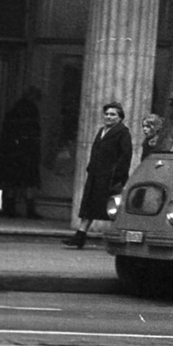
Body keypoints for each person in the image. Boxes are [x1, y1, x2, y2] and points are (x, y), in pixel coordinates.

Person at [65, 100, 132, 249]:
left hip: (110, 178)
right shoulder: (101, 131)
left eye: (113, 114)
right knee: (89, 206)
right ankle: (80, 236)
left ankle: (120, 238)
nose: (108, 117)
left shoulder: (123, 133)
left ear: (120, 117)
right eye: (107, 114)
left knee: (112, 209)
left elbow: (125, 156)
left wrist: (117, 176)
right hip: (96, 176)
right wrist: (90, 168)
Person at [0, 87, 43, 219]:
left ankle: (10, 208)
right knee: (28, 182)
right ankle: (29, 209)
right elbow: (35, 132)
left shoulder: (13, 111)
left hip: (13, 152)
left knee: (13, 181)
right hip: (27, 151)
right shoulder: (31, 112)